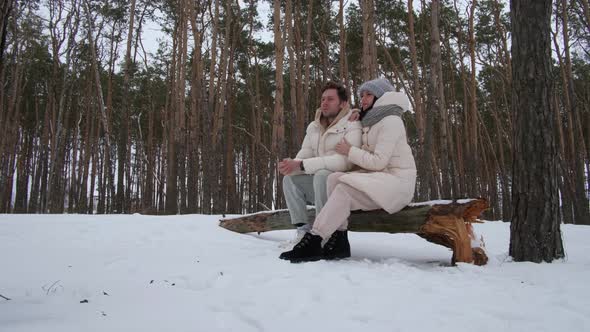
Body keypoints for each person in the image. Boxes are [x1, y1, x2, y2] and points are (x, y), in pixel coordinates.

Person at [279, 78, 417, 263]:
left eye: (369, 94)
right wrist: (293, 164)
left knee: (337, 184)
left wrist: (349, 151)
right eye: (362, 95)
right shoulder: (370, 118)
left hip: (396, 182)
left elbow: (377, 161)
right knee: (334, 179)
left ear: (383, 97)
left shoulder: (391, 121)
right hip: (380, 178)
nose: (364, 99)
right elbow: (306, 153)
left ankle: (317, 236)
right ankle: (339, 240)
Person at [278, 81, 362, 249]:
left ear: (343, 103)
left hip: (345, 188)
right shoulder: (314, 127)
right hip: (320, 184)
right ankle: (303, 231)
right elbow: (305, 153)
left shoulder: (352, 124)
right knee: (290, 179)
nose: (324, 103)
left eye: (330, 99)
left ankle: (323, 233)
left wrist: (302, 165)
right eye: (323, 99)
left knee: (323, 174)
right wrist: (292, 165)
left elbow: (345, 162)